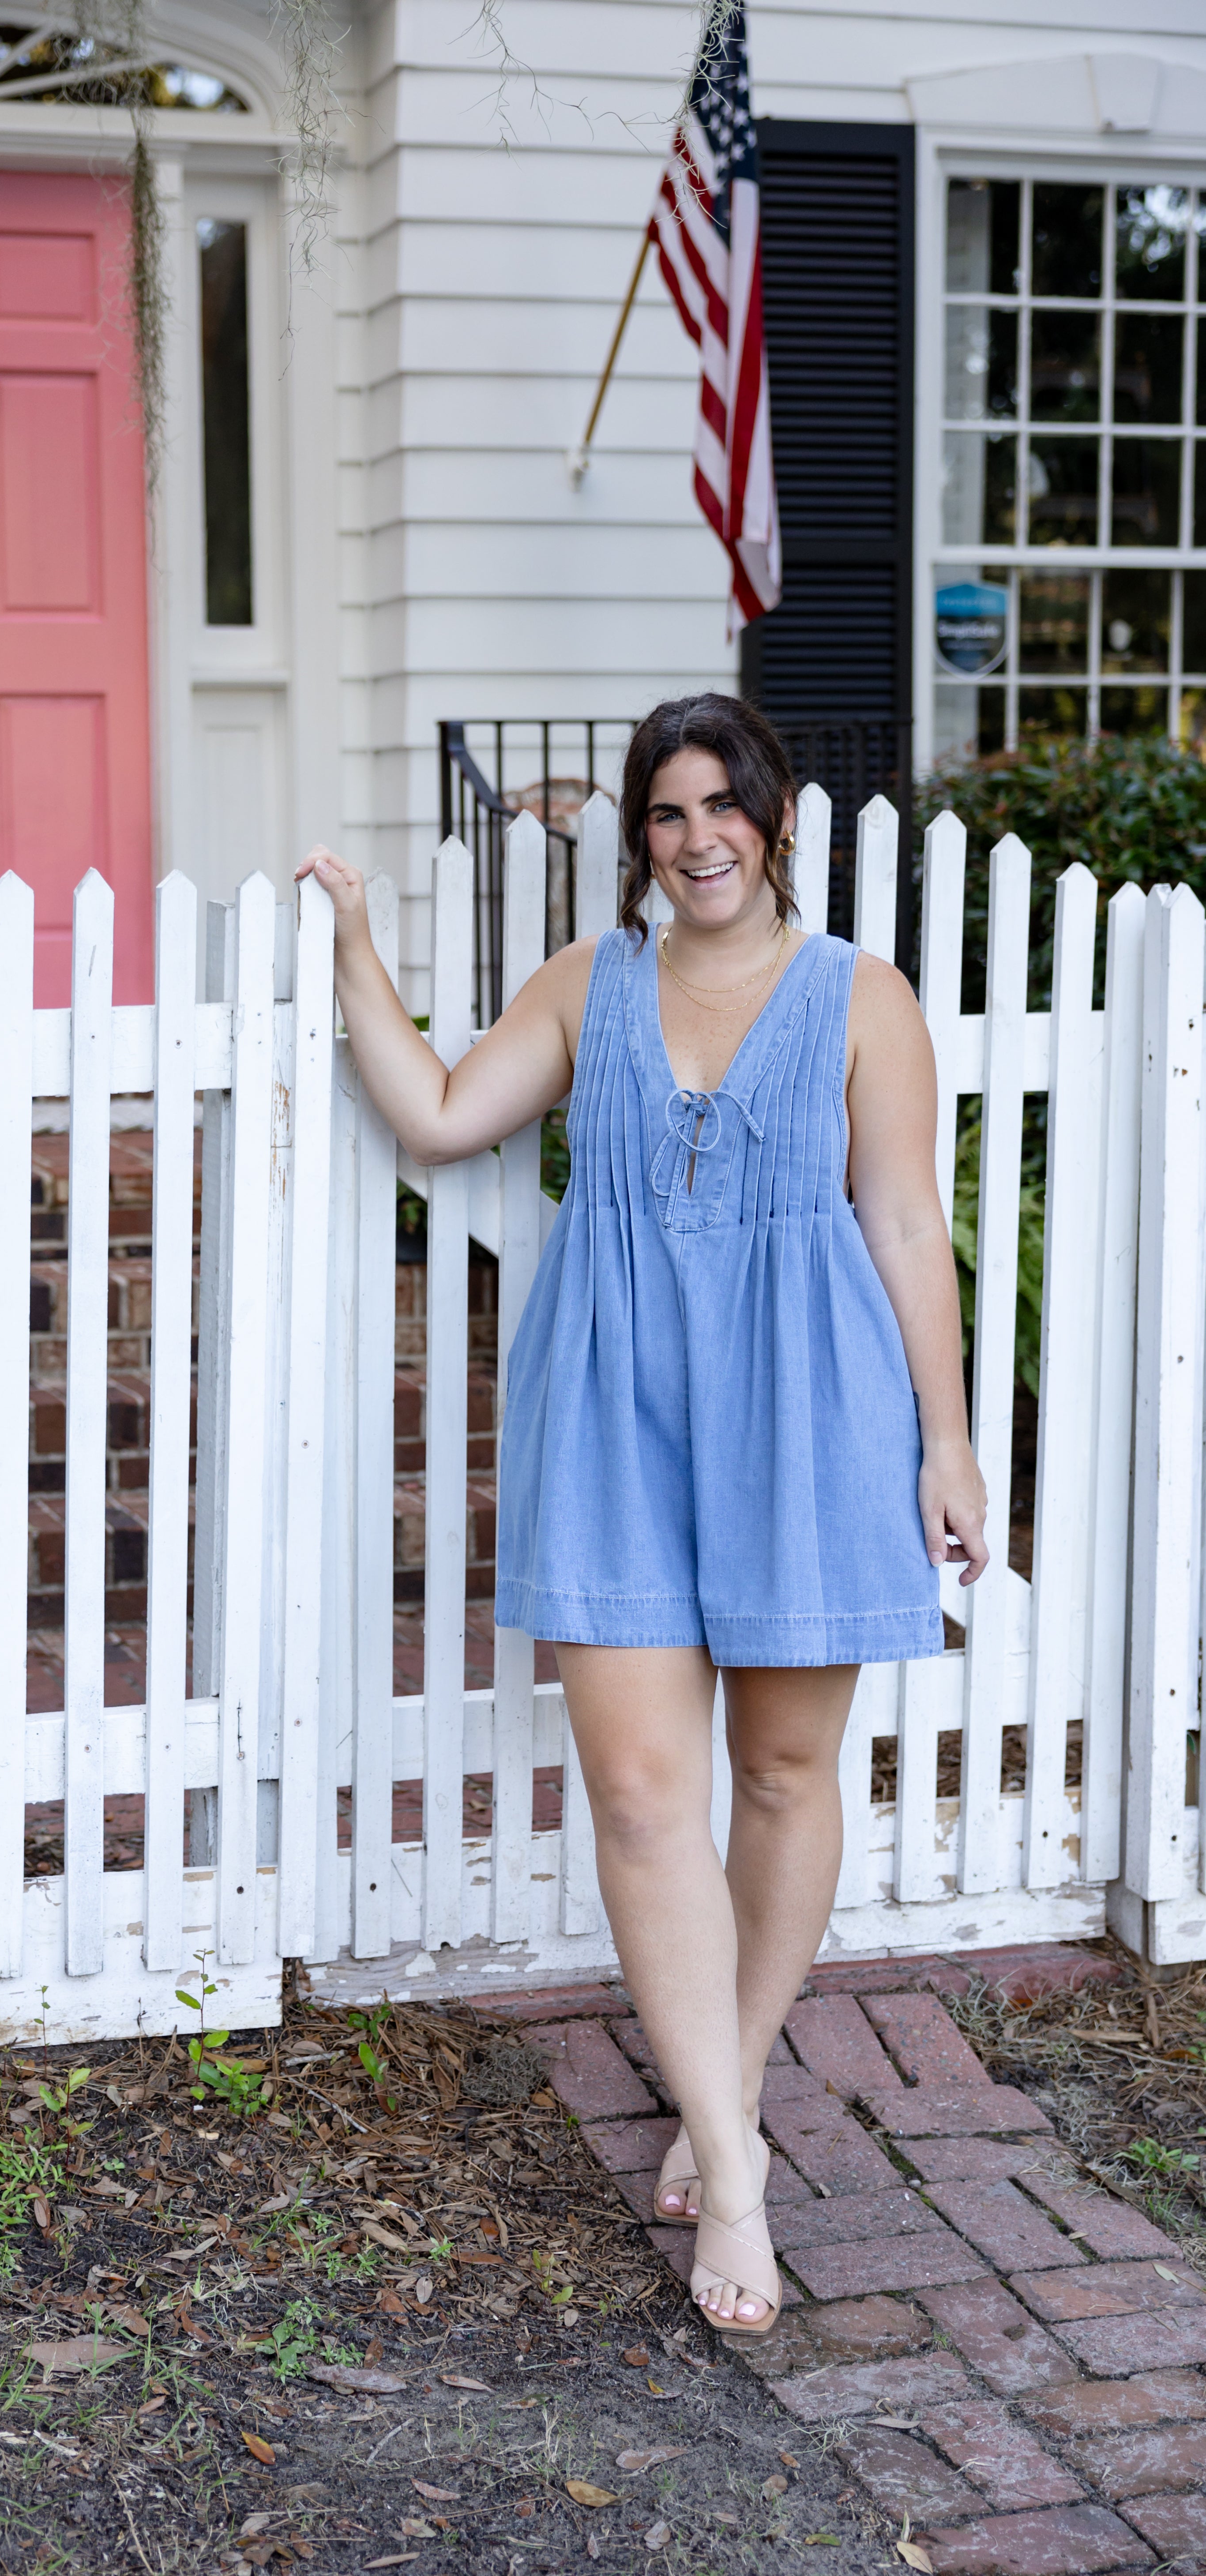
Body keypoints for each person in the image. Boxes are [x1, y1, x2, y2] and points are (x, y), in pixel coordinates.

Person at [297, 693, 988, 2342]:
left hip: (810, 1410)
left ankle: (718, 2090)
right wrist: (354, 943)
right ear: (638, 840)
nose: (697, 841)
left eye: (722, 808)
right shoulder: (586, 986)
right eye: (667, 815)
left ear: (776, 819)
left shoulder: (858, 1001)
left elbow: (903, 1221)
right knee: (634, 1787)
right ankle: (734, 2186)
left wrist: (946, 1443)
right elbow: (444, 1113)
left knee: (782, 1769)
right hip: (611, 1412)